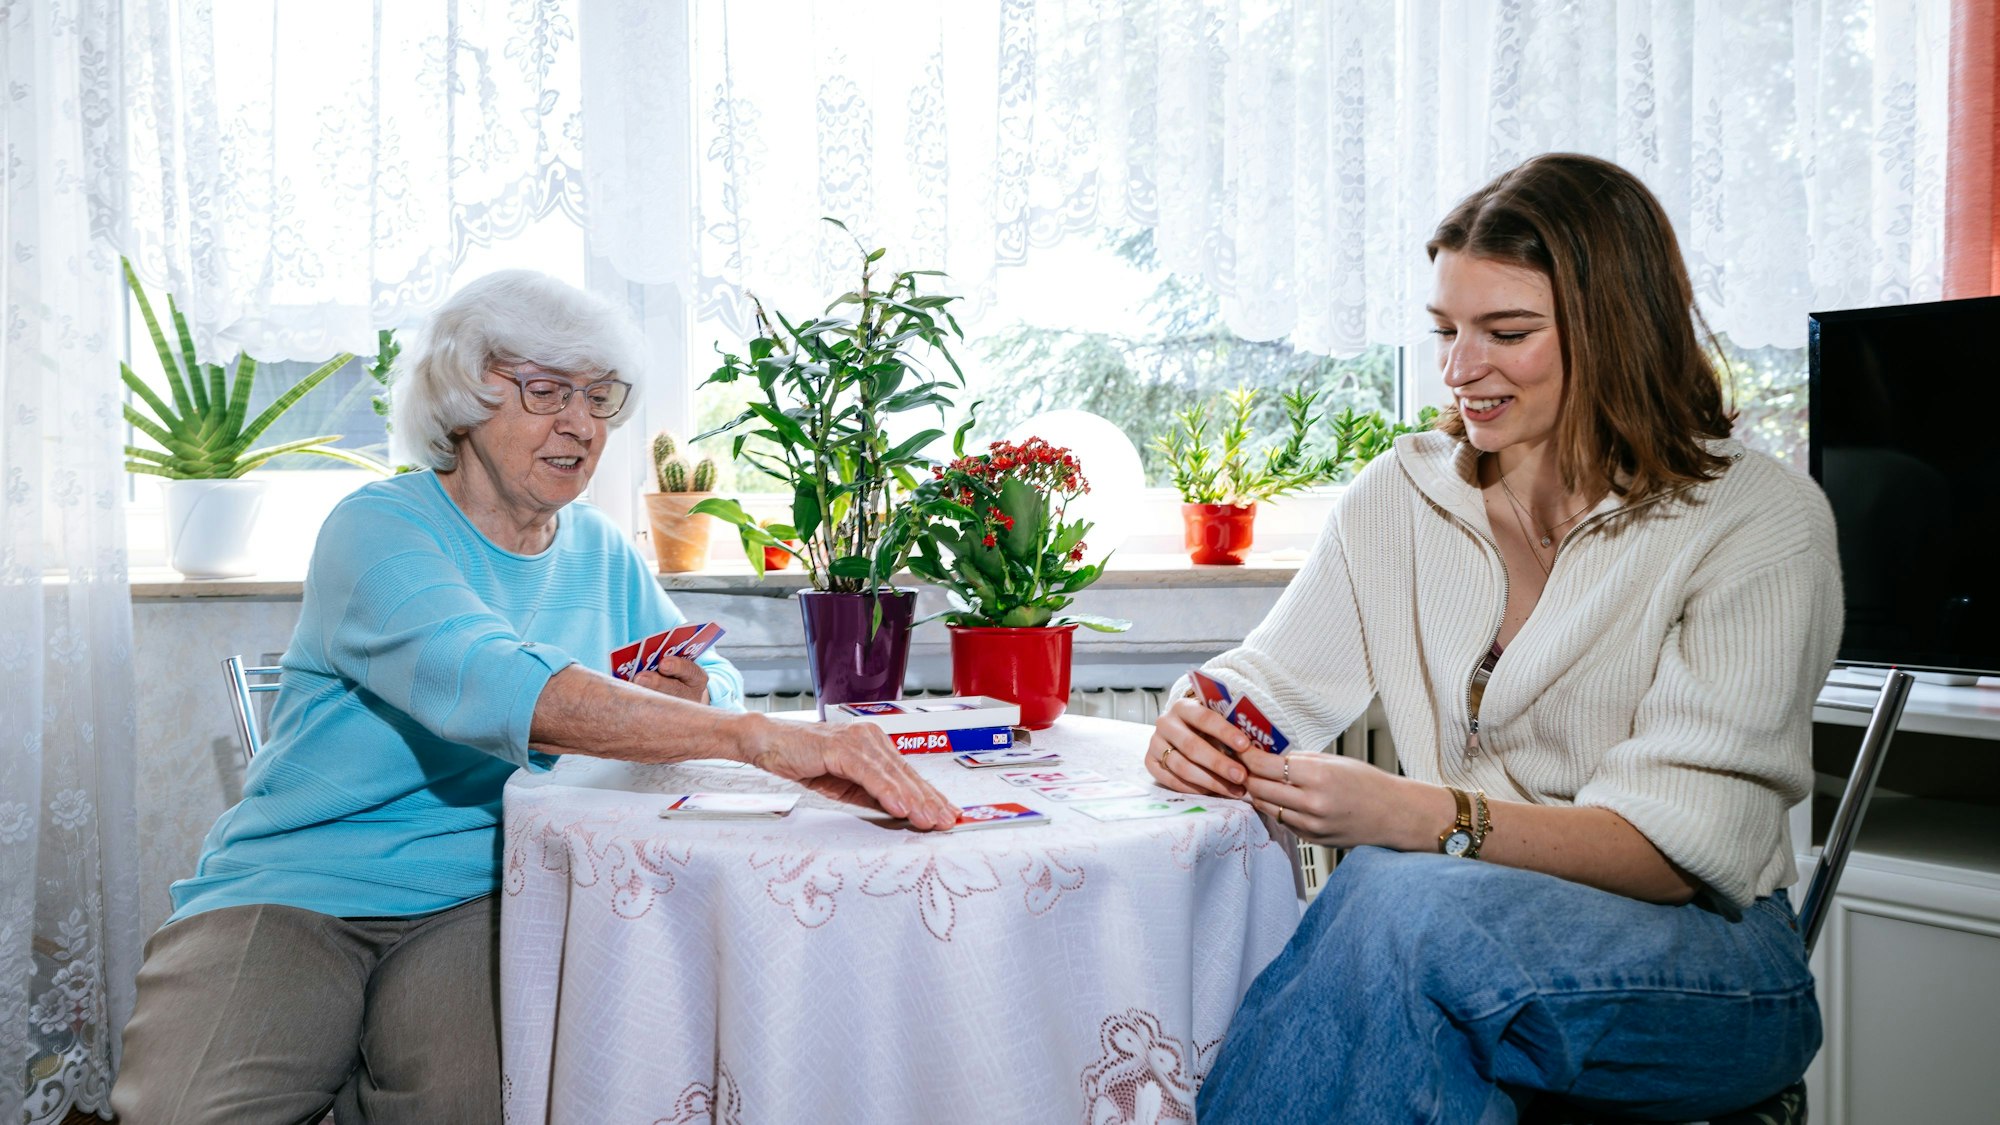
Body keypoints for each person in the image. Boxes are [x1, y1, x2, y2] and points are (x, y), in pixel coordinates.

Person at [111, 270, 959, 1124]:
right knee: (186, 1110)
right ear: (462, 398)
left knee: (481, 1106)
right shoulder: (376, 529)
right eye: (545, 390)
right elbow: (497, 682)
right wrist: (756, 736)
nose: (581, 424)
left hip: (481, 892)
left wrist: (699, 689)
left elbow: (714, 678)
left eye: (598, 396)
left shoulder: (599, 547)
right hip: (296, 884)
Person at [1148, 154, 1840, 1122]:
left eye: (1503, 333)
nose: (1457, 369)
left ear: (1611, 332)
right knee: (1409, 982)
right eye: (1444, 331)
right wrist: (1198, 712)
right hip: (1456, 942)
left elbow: (1674, 853)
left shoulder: (1755, 520)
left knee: (1396, 903)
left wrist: (1413, 816)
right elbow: (1264, 683)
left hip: (1710, 967)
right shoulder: (1399, 499)